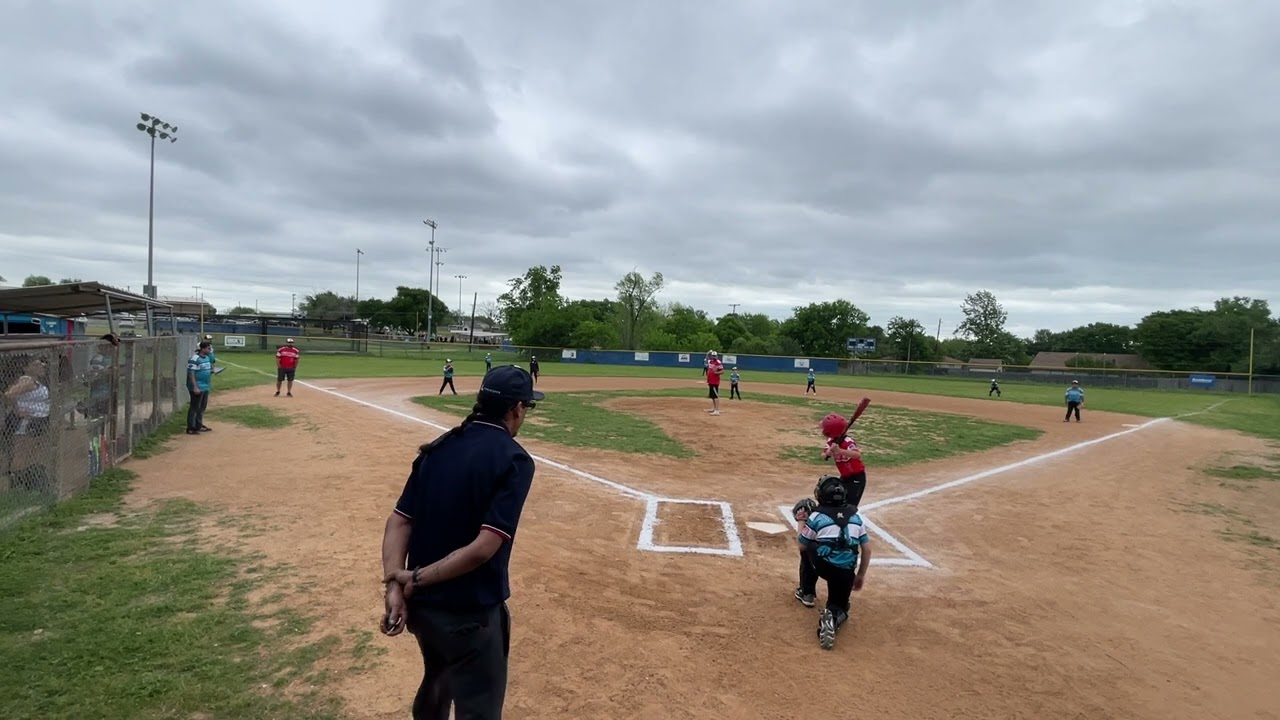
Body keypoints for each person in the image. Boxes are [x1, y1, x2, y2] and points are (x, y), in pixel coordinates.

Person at [379, 364, 543, 719]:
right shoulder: (513, 459)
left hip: (424, 611)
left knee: (437, 681)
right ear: (516, 409)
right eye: (526, 407)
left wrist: (396, 582)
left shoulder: (437, 449)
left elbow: (400, 520)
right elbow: (484, 547)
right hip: (470, 615)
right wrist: (414, 578)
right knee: (479, 707)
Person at [796, 475, 872, 650]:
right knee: (841, 607)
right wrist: (859, 575)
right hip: (846, 571)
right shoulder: (856, 518)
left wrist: (801, 521)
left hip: (823, 566)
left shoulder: (817, 517)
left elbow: (801, 545)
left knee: (810, 546)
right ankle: (833, 617)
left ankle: (807, 592)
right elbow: (867, 550)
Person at [2, 354, 53, 495]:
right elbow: (8, 395)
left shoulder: (36, 381)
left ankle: (29, 480)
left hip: (37, 422)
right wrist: (17, 410)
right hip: (26, 423)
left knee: (33, 452)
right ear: (27, 368)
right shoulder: (27, 380)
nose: (42, 366)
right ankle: (15, 483)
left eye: (42, 363)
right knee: (22, 453)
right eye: (36, 365)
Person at [819, 412, 868, 510]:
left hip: (857, 478)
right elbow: (823, 456)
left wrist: (840, 451)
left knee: (850, 506)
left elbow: (857, 455)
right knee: (840, 501)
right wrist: (829, 452)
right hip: (844, 477)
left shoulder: (847, 441)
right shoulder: (831, 441)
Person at [186, 341, 214, 435]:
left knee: (202, 407)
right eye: (208, 348)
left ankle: (198, 425)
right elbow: (191, 373)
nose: (210, 350)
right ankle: (191, 427)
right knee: (195, 407)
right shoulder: (195, 358)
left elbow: (206, 370)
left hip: (205, 386)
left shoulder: (206, 358)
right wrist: (195, 387)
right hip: (197, 387)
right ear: (203, 349)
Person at [705, 350, 724, 416]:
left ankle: (717, 410)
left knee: (715, 396)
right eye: (713, 355)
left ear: (717, 356)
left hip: (715, 381)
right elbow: (706, 360)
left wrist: (716, 372)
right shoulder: (711, 361)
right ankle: (714, 408)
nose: (714, 357)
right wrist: (707, 353)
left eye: (715, 355)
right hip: (710, 381)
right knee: (712, 396)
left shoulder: (718, 362)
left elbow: (722, 371)